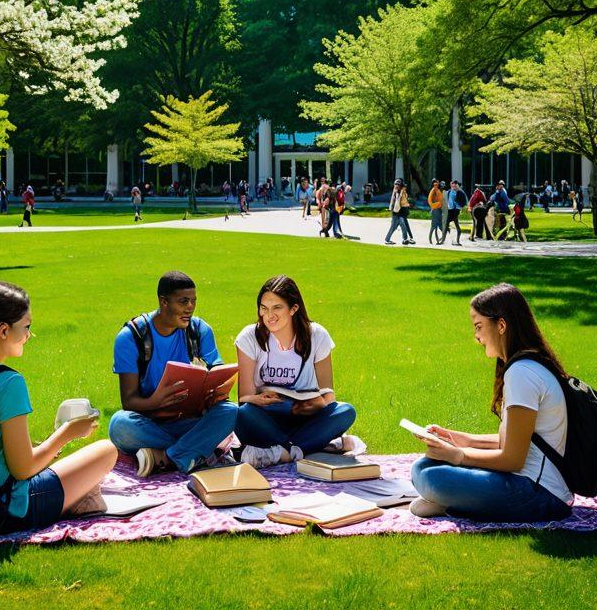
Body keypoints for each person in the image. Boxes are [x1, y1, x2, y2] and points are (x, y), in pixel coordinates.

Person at [0, 281, 116, 528]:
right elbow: (23, 470)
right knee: (106, 451)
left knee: (58, 462)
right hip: (5, 511)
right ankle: (80, 499)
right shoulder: (8, 383)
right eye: (26, 326)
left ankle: (81, 497)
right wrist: (66, 434)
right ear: (4, 331)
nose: (29, 335)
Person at [409, 282, 573, 523]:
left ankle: (453, 505)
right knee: (424, 466)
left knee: (431, 478)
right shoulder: (525, 366)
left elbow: (512, 459)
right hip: (532, 485)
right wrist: (459, 438)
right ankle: (457, 502)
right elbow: (514, 441)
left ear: (502, 325)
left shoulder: (522, 373)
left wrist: (458, 455)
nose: (476, 337)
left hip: (540, 494)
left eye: (479, 327)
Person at [109, 271, 238, 476]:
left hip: (191, 420)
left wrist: (217, 392)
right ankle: (196, 452)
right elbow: (129, 401)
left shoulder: (199, 331)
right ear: (164, 301)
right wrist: (156, 402)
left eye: (193, 301)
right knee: (119, 425)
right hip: (151, 424)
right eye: (183, 301)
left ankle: (165, 457)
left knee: (230, 411)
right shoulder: (131, 337)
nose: (190, 308)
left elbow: (217, 374)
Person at [234, 275, 359, 469]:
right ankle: (312, 447)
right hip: (265, 419)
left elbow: (327, 390)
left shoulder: (317, 335)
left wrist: (318, 404)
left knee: (346, 411)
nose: (269, 316)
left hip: (306, 419)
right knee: (243, 414)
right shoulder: (249, 337)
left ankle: (283, 452)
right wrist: (262, 401)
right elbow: (244, 398)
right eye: (264, 308)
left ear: (294, 308)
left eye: (277, 308)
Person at [385, 178, 414, 245]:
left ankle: (404, 239)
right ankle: (387, 239)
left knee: (403, 225)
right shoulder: (397, 192)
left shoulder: (400, 191)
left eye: (398, 184)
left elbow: (401, 201)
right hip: (396, 212)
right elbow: (397, 202)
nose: (396, 185)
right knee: (394, 227)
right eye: (396, 184)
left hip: (400, 212)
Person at [442, 180, 466, 246]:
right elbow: (445, 199)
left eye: (455, 186)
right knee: (447, 224)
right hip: (450, 210)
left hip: (456, 210)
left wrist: (458, 204)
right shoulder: (449, 192)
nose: (454, 187)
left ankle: (455, 240)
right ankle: (446, 240)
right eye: (452, 186)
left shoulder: (460, 192)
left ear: (457, 185)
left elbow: (464, 202)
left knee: (452, 224)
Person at [427, 179, 444, 245]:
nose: (436, 185)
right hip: (436, 210)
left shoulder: (438, 191)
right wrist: (436, 205)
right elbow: (430, 201)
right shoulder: (434, 190)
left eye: (437, 184)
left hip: (438, 209)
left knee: (437, 226)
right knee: (435, 226)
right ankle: (431, 240)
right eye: (435, 184)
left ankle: (437, 240)